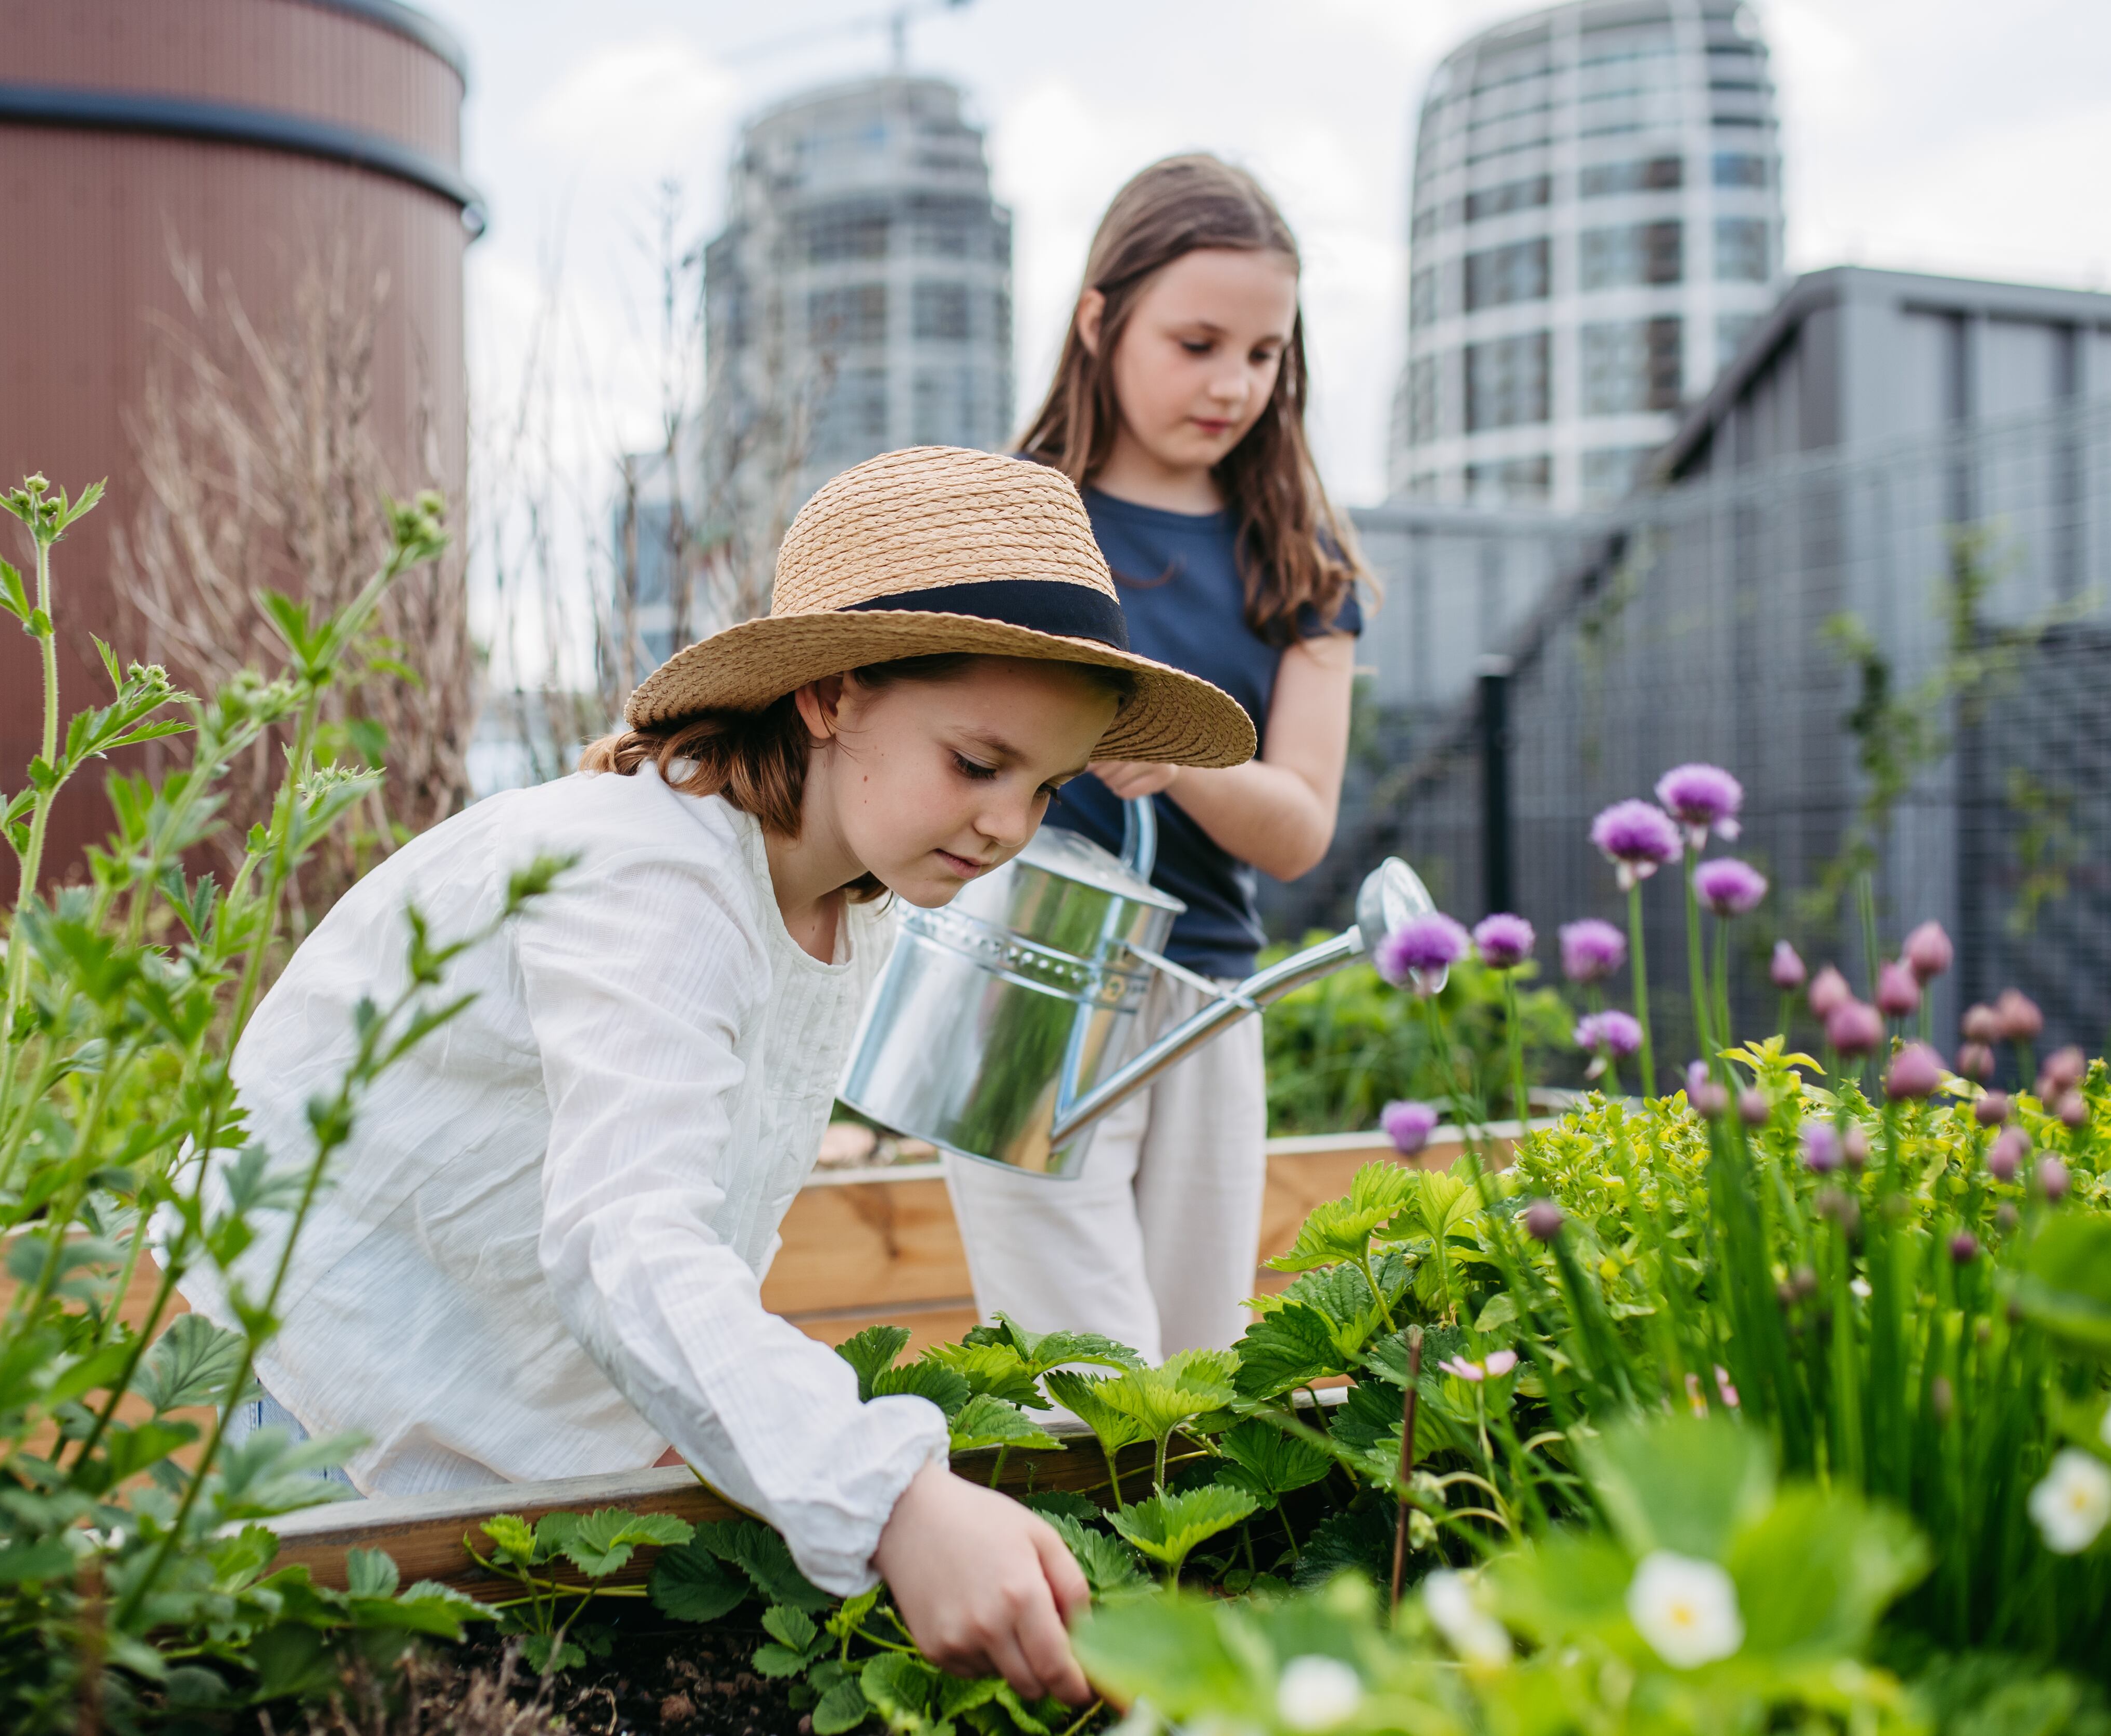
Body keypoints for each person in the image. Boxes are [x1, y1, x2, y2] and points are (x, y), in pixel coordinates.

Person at [175, 446, 1254, 1702]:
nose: (1011, 824)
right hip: (333, 1387)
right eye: (977, 763)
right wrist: (896, 1496)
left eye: (1047, 785)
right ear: (834, 695)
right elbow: (626, 1238)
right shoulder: (652, 874)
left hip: (513, 1403)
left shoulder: (847, 904)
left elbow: (709, 1199)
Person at [943, 155, 1373, 1366]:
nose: (1232, 383)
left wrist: (1171, 753)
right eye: (1196, 343)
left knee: (1192, 1378)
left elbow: (1296, 826)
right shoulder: (1010, 519)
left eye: (1263, 353)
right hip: (1017, 978)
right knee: (1079, 1382)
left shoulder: (1302, 567)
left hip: (1208, 999)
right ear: (1099, 319)